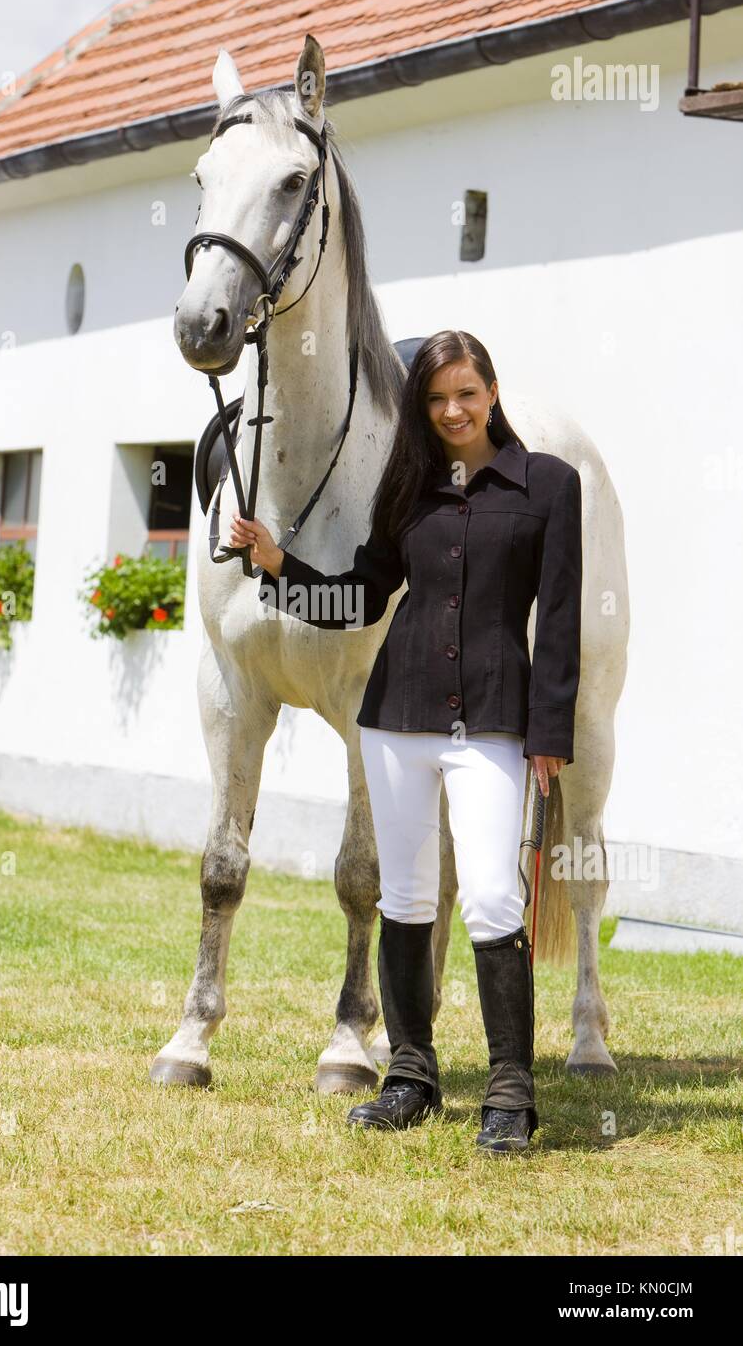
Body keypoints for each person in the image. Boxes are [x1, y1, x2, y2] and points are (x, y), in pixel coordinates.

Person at [229, 329, 582, 1154]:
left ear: (492, 391)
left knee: (494, 896)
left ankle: (509, 1091)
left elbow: (559, 621)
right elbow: (361, 594)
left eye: (465, 392)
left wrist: (550, 734)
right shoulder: (410, 486)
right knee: (407, 900)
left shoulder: (548, 485)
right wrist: (281, 565)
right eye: (436, 399)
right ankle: (412, 1078)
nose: (452, 409)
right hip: (395, 718)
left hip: (492, 722)